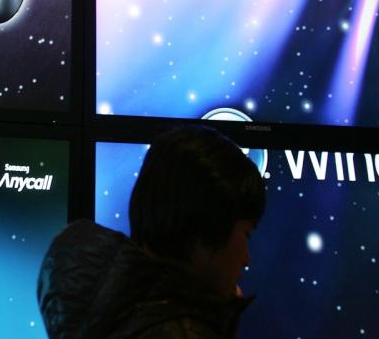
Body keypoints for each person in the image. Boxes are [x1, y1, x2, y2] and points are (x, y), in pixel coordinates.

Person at [37, 125, 266, 339]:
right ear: (203, 230)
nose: (246, 259)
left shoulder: (107, 311)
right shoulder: (175, 332)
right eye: (246, 235)